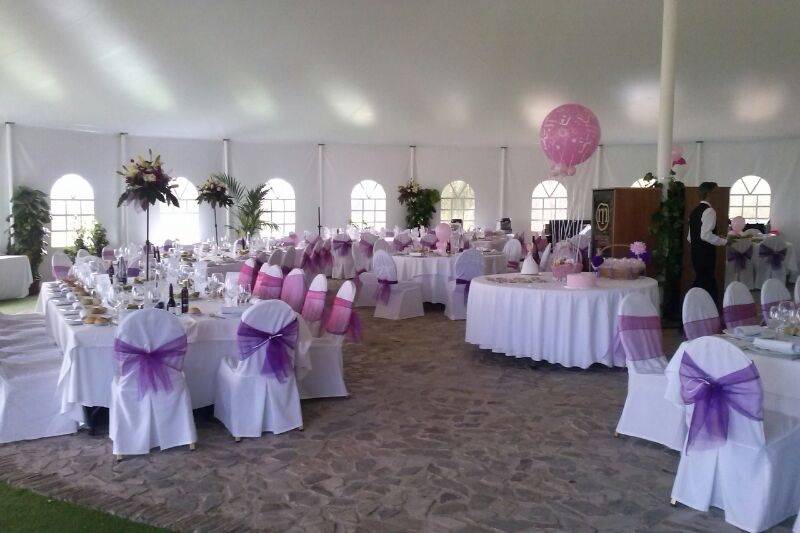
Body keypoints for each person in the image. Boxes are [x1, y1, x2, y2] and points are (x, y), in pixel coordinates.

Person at [687, 181, 728, 302]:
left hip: (695, 253)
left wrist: (716, 237)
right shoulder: (709, 211)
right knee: (708, 283)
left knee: (701, 281)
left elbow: (690, 237)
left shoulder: (694, 211)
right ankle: (709, 311)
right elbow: (705, 235)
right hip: (706, 254)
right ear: (709, 193)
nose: (718, 195)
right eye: (716, 192)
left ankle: (694, 308)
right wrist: (724, 241)